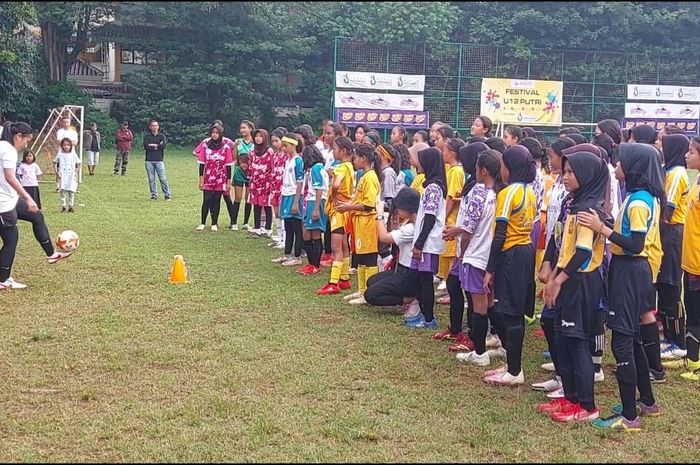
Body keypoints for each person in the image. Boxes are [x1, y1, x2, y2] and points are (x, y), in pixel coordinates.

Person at [578, 142, 663, 432]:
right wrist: (609, 222)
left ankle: (629, 416)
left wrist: (601, 229)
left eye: (620, 163)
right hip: (633, 271)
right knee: (634, 337)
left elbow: (636, 244)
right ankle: (646, 401)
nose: (615, 168)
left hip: (630, 271)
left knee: (623, 342)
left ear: (634, 168)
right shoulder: (640, 196)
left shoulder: (639, 202)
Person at [539, 150, 608, 423]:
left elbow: (582, 253)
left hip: (581, 283)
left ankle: (587, 406)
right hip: (567, 279)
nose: (565, 176)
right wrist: (553, 274)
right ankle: (570, 398)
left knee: (577, 343)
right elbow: (564, 250)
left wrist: (558, 280)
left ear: (588, 175)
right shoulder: (574, 204)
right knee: (564, 340)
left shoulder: (588, 211)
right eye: (564, 171)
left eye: (571, 172)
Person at [483, 145, 537, 386]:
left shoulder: (508, 193)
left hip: (512, 254)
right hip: (526, 252)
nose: (501, 170)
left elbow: (501, 232)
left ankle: (515, 372)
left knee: (511, 313)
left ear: (510, 168)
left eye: (503, 165)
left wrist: (490, 269)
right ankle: (512, 365)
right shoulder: (529, 191)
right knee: (513, 311)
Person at [531, 137, 576, 395]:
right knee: (550, 320)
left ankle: (569, 381)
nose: (550, 159)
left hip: (570, 268)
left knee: (557, 322)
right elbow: (558, 226)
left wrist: (559, 273)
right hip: (556, 255)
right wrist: (548, 260)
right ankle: (562, 375)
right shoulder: (561, 186)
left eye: (554, 155)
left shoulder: (583, 200)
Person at [451, 149, 500, 364]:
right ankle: (500, 342)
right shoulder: (498, 193)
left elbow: (468, 230)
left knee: (478, 305)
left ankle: (479, 353)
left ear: (483, 170)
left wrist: (462, 253)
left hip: (476, 254)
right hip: (491, 256)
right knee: (490, 302)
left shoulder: (479, 194)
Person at [439, 142, 489, 351]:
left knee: (471, 294)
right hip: (463, 248)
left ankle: (472, 337)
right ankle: (456, 329)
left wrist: (457, 231)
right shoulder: (472, 182)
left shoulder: (479, 187)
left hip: (470, 249)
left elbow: (472, 222)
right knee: (453, 284)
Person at [656, 134, 690, 359]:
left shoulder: (677, 174)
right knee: (664, 284)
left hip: (672, 233)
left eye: (663, 143)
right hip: (665, 233)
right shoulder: (668, 171)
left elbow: (668, 211)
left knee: (670, 285)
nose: (659, 146)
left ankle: (678, 341)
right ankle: (668, 336)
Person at [406, 147, 447, 329]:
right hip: (425, 241)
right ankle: (424, 314)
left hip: (428, 242)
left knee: (425, 281)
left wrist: (419, 244)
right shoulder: (432, 186)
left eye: (421, 161)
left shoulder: (433, 188)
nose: (418, 164)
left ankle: (429, 318)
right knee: (421, 279)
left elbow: (429, 218)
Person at [336, 144, 381, 305]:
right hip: (359, 223)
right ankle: (362, 290)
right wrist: (349, 203)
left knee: (369, 258)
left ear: (364, 159)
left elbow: (369, 204)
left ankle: (368, 293)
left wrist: (348, 206)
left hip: (367, 223)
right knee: (361, 257)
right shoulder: (364, 176)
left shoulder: (370, 177)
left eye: (355, 157)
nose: (353, 160)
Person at [364, 187, 421, 313]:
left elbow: (384, 238)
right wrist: (394, 218)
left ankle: (411, 299)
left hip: (408, 274)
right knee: (371, 282)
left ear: (407, 208)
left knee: (370, 295)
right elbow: (394, 234)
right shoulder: (410, 223)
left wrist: (379, 215)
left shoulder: (412, 228)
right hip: (400, 269)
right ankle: (411, 295)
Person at [673, 136, 700, 380]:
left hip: (698, 264)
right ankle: (692, 358)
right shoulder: (697, 182)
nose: (686, 155)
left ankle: (697, 365)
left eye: (691, 152)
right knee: (692, 310)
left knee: (697, 313)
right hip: (690, 260)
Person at [0, 122, 40, 290]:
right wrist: (27, 198)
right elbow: (10, 176)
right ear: (18, 136)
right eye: (27, 140)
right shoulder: (8, 150)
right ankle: (3, 279)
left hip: (6, 201)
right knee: (11, 240)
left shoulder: (1, 145)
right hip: (3, 204)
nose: (26, 145)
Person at [317, 136, 355, 295]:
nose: (333, 152)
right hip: (346, 211)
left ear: (343, 151)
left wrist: (333, 195)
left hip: (338, 212)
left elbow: (337, 184)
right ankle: (344, 279)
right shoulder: (350, 167)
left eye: (335, 149)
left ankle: (333, 282)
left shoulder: (340, 168)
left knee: (336, 248)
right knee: (345, 246)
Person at [435, 137, 466, 304]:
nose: (442, 153)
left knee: (449, 255)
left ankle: (450, 289)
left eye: (444, 150)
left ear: (452, 153)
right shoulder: (452, 169)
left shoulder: (455, 171)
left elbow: (452, 198)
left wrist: (443, 217)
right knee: (445, 255)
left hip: (451, 219)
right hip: (449, 218)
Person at [272, 133, 304, 267]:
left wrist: (296, 201)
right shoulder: (288, 160)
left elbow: (300, 181)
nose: (283, 149)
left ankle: (297, 256)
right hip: (286, 194)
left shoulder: (298, 160)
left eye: (286, 146)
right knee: (288, 226)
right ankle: (287, 254)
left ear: (293, 145)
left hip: (294, 195)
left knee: (296, 227)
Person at [195, 122, 233, 232]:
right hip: (208, 177)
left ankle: (214, 223)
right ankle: (202, 222)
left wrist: (228, 182)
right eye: (213, 132)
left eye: (217, 133)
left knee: (217, 200)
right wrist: (201, 180)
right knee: (206, 200)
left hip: (221, 178)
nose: (215, 135)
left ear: (220, 134)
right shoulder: (205, 146)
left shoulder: (226, 148)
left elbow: (229, 166)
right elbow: (201, 164)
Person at [297, 145, 329, 276]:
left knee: (315, 233)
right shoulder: (315, 169)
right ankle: (311, 264)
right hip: (311, 202)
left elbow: (319, 189)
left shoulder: (316, 169)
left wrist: (316, 209)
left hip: (316, 202)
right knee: (307, 232)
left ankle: (315, 265)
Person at [248, 129, 274, 236]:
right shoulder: (252, 151)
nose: (258, 138)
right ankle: (257, 227)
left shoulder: (269, 152)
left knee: (267, 205)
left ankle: (268, 228)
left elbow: (272, 167)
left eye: (261, 136)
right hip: (255, 182)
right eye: (256, 136)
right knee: (256, 205)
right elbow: (250, 166)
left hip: (266, 183)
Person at [230, 120, 255, 229]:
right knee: (238, 197)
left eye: (244, 128)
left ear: (250, 129)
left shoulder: (255, 142)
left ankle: (245, 223)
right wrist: (235, 147)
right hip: (238, 172)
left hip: (251, 172)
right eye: (241, 128)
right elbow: (234, 158)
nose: (242, 130)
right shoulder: (238, 141)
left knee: (248, 198)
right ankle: (234, 222)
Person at [269, 127, 288, 247]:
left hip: (283, 187)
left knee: (282, 212)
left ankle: (285, 238)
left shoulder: (287, 155)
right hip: (274, 186)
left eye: (277, 141)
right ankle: (280, 236)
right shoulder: (275, 154)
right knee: (276, 212)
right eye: (273, 141)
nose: (275, 144)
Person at [143, 120, 171, 201]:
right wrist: (156, 146)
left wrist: (153, 145)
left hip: (159, 160)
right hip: (149, 161)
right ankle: (153, 195)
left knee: (163, 178)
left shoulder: (162, 136)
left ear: (158, 127)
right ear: (150, 127)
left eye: (156, 125)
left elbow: (163, 146)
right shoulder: (147, 137)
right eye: (153, 125)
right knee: (151, 179)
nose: (154, 127)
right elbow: (146, 147)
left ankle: (167, 194)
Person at [54, 138, 80, 213]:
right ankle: (63, 206)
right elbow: (55, 162)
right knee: (63, 191)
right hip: (63, 175)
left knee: (71, 191)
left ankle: (71, 206)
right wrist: (56, 172)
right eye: (64, 145)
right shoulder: (60, 154)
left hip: (71, 176)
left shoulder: (73, 155)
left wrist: (75, 172)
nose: (66, 147)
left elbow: (78, 163)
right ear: (62, 146)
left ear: (71, 146)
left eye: (68, 145)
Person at [56, 117, 78, 192]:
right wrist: (69, 142)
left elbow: (75, 143)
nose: (66, 124)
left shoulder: (73, 132)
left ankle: (73, 185)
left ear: (70, 123)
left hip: (72, 154)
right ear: (62, 123)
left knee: (73, 169)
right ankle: (59, 186)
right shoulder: (60, 131)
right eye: (64, 122)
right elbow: (59, 142)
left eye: (67, 122)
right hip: (62, 153)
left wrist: (66, 142)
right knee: (60, 169)